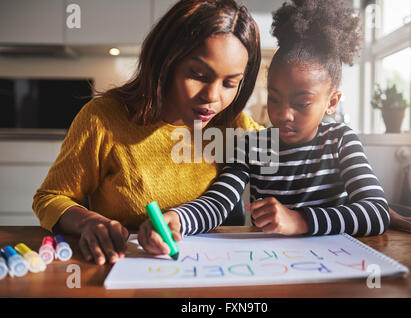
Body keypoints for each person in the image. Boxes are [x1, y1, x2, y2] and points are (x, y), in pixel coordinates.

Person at [138, 0, 411, 255]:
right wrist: (177, 218)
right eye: (275, 98)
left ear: (332, 102)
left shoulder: (341, 141)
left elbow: (376, 212)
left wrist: (299, 221)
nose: (283, 114)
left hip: (332, 263)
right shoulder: (252, 145)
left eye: (302, 103)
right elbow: (218, 203)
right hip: (271, 262)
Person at [32, 0, 262, 265]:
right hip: (129, 267)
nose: (212, 97)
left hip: (217, 271)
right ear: (166, 61)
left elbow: (292, 154)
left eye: (230, 83)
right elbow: (50, 198)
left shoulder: (234, 124)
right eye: (198, 75)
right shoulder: (103, 119)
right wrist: (88, 221)